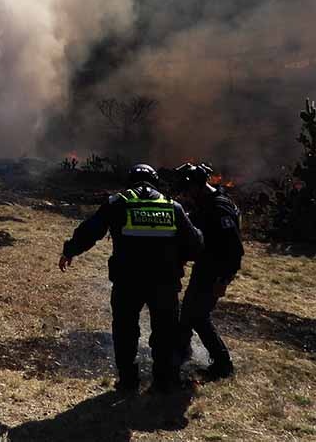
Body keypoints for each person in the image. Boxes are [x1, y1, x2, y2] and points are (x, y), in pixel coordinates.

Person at [59, 163, 203, 392]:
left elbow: (91, 230)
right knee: (164, 331)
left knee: (125, 330)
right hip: (164, 282)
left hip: (128, 281)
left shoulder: (118, 203)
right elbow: (195, 244)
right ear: (155, 182)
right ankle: (162, 380)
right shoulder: (171, 206)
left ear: (129, 182)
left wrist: (70, 251)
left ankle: (128, 380)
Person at [173, 162, 243, 379]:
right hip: (204, 267)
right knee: (188, 312)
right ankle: (181, 352)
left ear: (197, 186)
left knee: (198, 316)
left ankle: (223, 363)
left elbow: (235, 249)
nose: (186, 195)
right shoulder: (205, 204)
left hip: (215, 271)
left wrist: (224, 279)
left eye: (187, 190)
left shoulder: (219, 208)